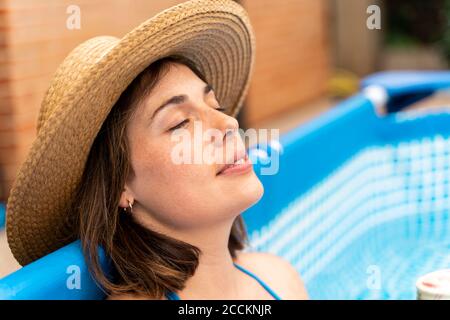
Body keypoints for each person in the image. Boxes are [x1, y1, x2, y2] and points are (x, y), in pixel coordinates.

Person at [6, 0, 308, 300]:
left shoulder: (280, 277)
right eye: (180, 123)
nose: (228, 123)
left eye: (216, 105)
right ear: (121, 187)